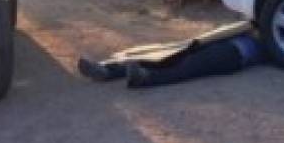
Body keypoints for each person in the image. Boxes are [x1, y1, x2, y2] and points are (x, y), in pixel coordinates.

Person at [78, 22, 266, 88]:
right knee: (168, 53)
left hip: (235, 53)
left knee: (190, 65)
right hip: (221, 41)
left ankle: (146, 78)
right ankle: (107, 69)